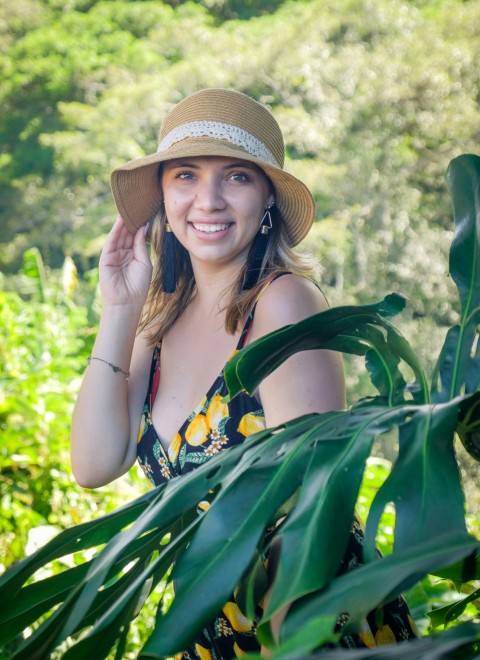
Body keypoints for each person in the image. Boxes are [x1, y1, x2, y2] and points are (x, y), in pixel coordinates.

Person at [71, 88, 416, 658]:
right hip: (207, 624)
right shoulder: (155, 328)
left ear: (266, 203)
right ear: (162, 196)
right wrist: (119, 310)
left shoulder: (285, 304)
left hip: (305, 622)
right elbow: (94, 464)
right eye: (185, 175)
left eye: (235, 177)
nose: (207, 201)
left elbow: (312, 513)